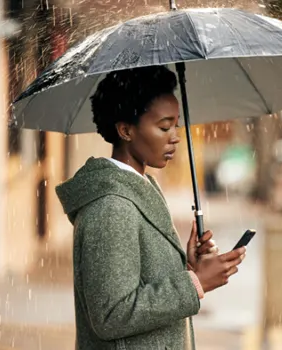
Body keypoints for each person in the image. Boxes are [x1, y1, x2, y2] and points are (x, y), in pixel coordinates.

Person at [55, 66, 247, 350]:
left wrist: (188, 266)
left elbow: (138, 279)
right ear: (126, 130)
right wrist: (195, 283)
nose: (175, 137)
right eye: (163, 126)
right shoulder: (111, 207)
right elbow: (111, 314)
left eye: (176, 125)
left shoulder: (141, 189)